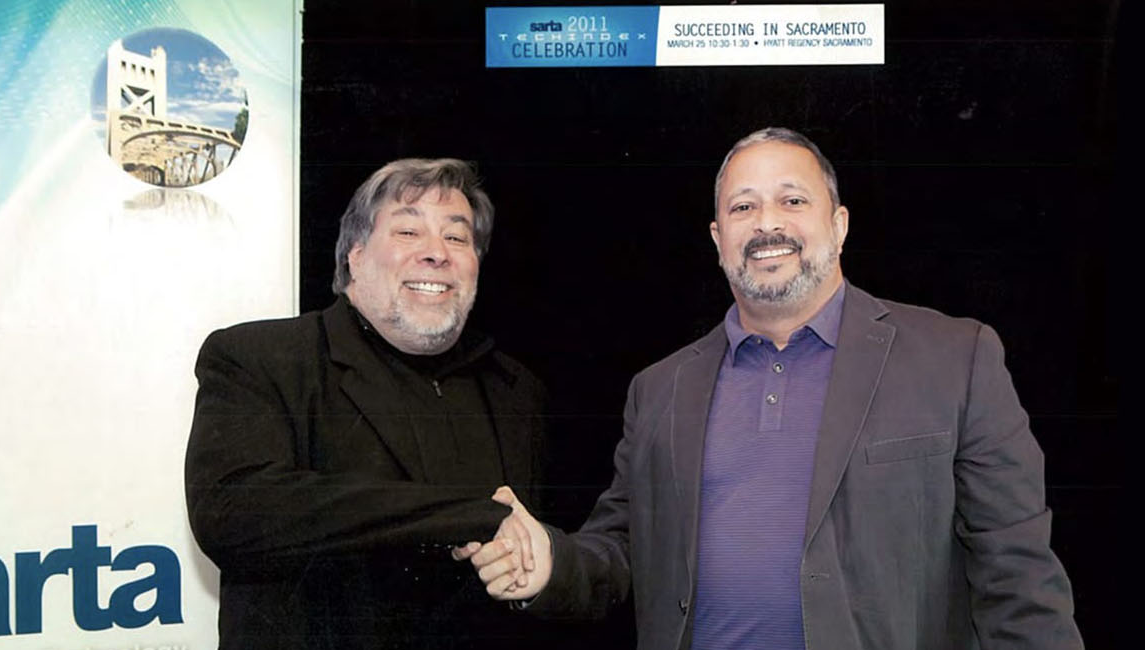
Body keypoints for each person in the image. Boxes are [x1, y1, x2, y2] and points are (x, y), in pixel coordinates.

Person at [465, 128, 1084, 650]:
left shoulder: (954, 358)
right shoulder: (660, 389)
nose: (767, 223)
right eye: (743, 207)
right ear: (717, 240)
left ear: (839, 225)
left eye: (792, 200)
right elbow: (624, 548)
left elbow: (1019, 577)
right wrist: (549, 562)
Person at [186, 158, 545, 650]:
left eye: (457, 237)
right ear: (354, 255)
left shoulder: (515, 389)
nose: (436, 253)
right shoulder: (261, 358)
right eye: (408, 232)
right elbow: (232, 512)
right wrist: (467, 515)